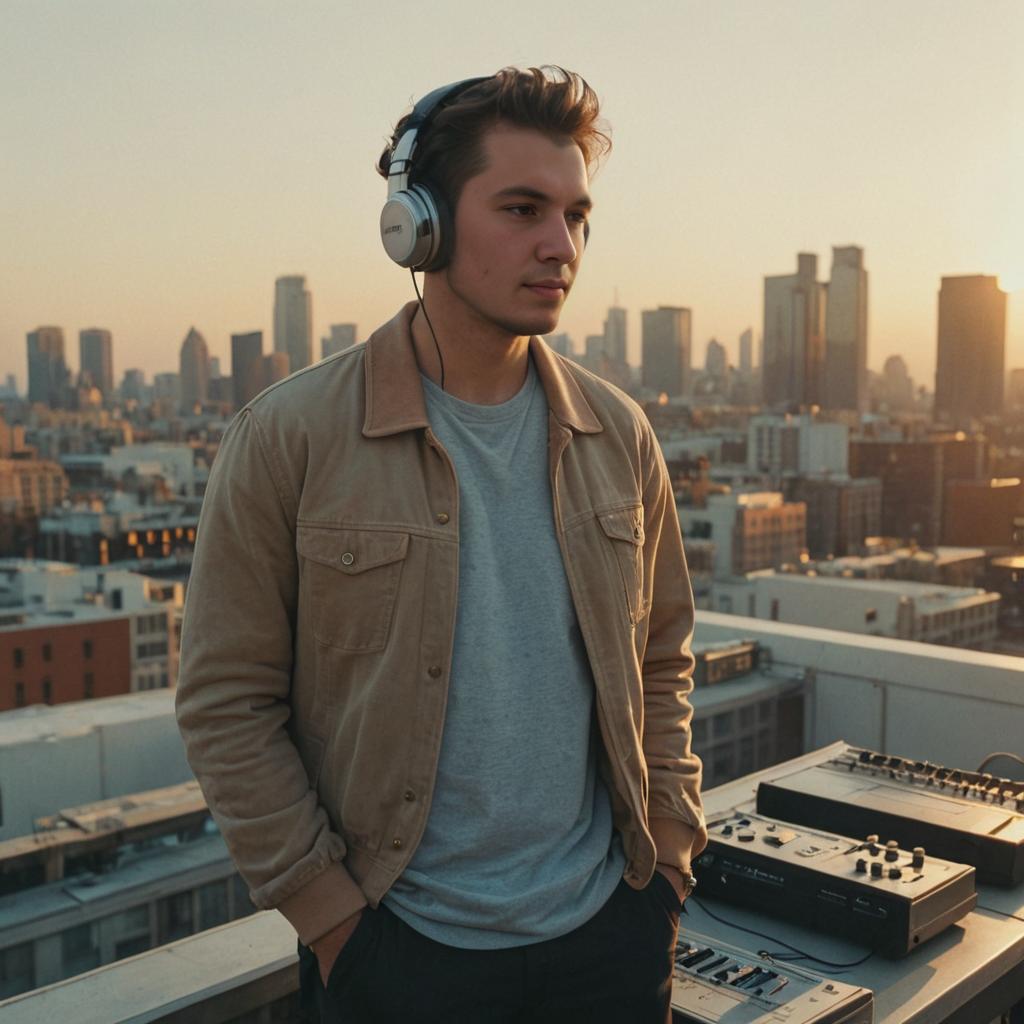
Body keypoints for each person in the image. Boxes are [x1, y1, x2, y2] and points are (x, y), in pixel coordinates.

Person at [176, 65, 706, 1023]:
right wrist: (335, 925)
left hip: (608, 944)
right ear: (417, 226)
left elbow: (661, 657)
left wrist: (665, 856)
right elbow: (226, 705)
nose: (561, 245)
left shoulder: (621, 435)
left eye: (577, 214)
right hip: (398, 959)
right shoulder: (290, 437)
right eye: (521, 208)